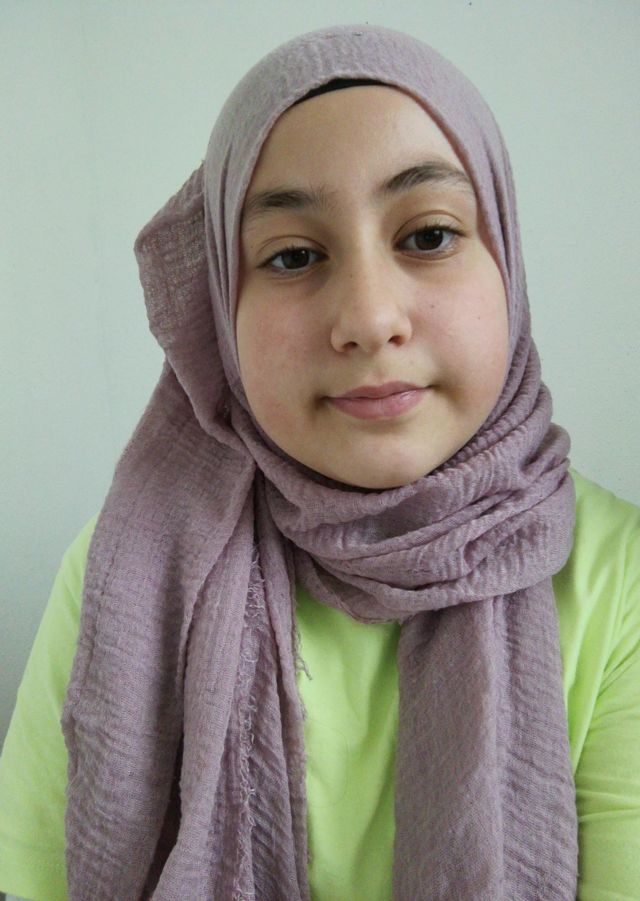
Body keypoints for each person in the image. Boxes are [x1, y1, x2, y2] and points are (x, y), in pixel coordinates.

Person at [0, 22, 638, 901]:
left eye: (429, 236)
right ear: (221, 311)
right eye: (294, 256)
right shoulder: (128, 570)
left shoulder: (618, 576)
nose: (370, 319)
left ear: (509, 262)